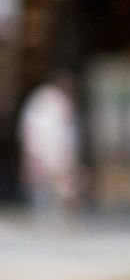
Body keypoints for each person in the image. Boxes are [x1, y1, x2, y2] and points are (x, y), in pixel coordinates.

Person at [19, 70, 81, 219]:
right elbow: (33, 133)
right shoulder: (44, 102)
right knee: (43, 200)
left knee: (57, 200)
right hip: (43, 159)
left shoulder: (62, 104)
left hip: (55, 161)